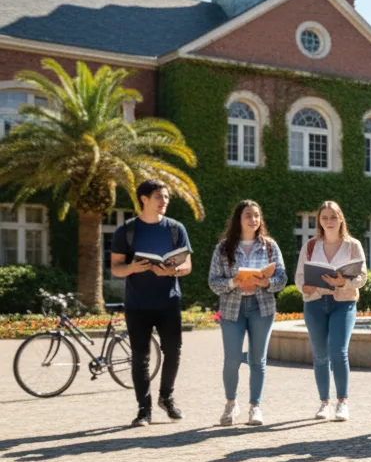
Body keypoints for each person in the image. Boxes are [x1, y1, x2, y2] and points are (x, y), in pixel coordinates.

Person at [109, 180, 193, 427]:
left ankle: (166, 397)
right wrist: (132, 267)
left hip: (169, 303)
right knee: (140, 357)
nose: (164, 201)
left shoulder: (176, 229)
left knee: (174, 353)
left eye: (166, 197)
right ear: (143, 199)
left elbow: (187, 265)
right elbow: (115, 268)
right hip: (138, 304)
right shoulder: (127, 231)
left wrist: (172, 271)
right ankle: (143, 410)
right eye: (159, 196)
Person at [208, 200, 287, 426]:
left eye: (256, 215)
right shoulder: (223, 248)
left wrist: (265, 282)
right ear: (238, 219)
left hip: (262, 308)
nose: (253, 220)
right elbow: (214, 282)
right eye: (248, 216)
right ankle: (231, 405)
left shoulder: (270, 246)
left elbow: (281, 278)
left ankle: (255, 406)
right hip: (233, 309)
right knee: (232, 359)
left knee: (257, 360)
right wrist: (234, 282)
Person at [295, 201, 368, 422]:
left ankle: (342, 402)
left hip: (343, 303)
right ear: (319, 220)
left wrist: (342, 282)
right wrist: (304, 287)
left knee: (339, 351)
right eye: (325, 217)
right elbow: (299, 277)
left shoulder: (352, 245)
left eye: (333, 217)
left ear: (340, 219)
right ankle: (324, 403)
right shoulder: (310, 246)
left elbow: (362, 277)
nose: (329, 221)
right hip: (315, 303)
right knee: (319, 355)